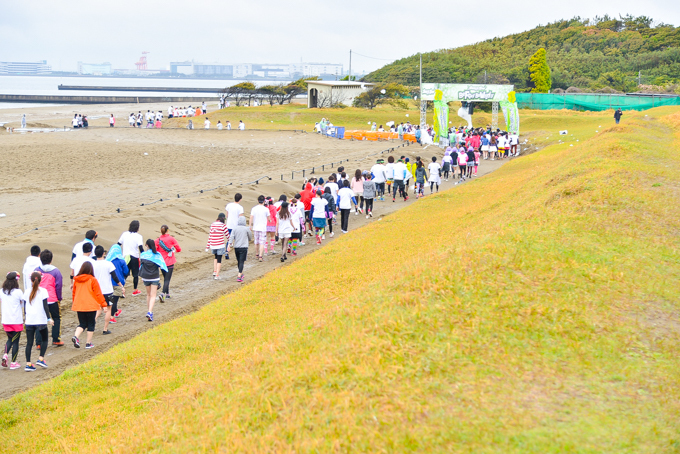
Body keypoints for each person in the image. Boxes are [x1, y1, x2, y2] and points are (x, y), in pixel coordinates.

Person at [71, 262, 106, 349]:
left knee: (82, 324)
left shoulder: (76, 280)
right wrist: (104, 305)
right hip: (91, 305)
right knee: (91, 324)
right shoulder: (92, 280)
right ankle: (88, 343)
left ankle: (76, 336)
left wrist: (75, 303)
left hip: (79, 305)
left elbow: (74, 294)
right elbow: (98, 294)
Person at [34, 249, 64, 347]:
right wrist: (59, 297)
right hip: (52, 299)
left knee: (40, 319)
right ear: (51, 259)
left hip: (39, 299)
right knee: (56, 318)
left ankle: (39, 343)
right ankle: (56, 339)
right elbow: (58, 286)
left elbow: (33, 285)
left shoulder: (36, 270)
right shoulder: (56, 271)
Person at [23, 272, 52, 371]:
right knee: (44, 340)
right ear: (41, 280)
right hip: (40, 320)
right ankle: (40, 358)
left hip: (29, 321)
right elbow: (45, 306)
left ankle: (28, 364)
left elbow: (25, 307)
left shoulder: (26, 291)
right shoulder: (43, 291)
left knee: (29, 343)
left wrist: (26, 317)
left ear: (31, 280)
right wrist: (49, 318)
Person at [93, 246, 124, 334]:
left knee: (98, 308)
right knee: (109, 309)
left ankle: (92, 322)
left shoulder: (93, 264)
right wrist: (121, 286)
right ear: (103, 253)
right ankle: (105, 329)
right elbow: (114, 277)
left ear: (95, 254)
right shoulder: (108, 264)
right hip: (108, 291)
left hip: (97, 291)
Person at [139, 239, 167, 322]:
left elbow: (141, 265)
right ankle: (150, 311)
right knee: (153, 295)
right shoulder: (157, 254)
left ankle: (149, 311)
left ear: (147, 245)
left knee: (148, 295)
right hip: (154, 277)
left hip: (145, 277)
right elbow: (162, 265)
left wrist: (141, 276)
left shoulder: (143, 255)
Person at [1, 272, 24, 370]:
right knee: (16, 342)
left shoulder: (2, 291)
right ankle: (13, 362)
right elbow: (23, 304)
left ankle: (5, 354)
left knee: (10, 339)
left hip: (6, 320)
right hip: (16, 321)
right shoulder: (18, 292)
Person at [118, 221, 144, 295]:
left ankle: (121, 289)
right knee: (135, 274)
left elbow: (118, 244)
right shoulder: (138, 236)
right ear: (137, 228)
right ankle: (135, 290)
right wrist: (145, 255)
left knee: (125, 274)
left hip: (125, 257)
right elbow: (140, 248)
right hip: (134, 257)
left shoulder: (124, 234)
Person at [155, 225, 181, 299]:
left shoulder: (158, 240)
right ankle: (163, 293)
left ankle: (168, 294)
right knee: (167, 279)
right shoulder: (171, 239)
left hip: (162, 262)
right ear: (168, 230)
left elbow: (154, 248)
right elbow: (179, 249)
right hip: (170, 261)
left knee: (166, 278)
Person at [105, 244, 128, 324]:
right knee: (115, 301)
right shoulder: (122, 261)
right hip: (119, 282)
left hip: (108, 282)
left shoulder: (107, 260)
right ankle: (111, 317)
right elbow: (126, 271)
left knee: (110, 299)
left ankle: (116, 311)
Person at [227, 217, 253, 283]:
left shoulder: (235, 228)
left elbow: (231, 237)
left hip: (236, 247)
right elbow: (250, 238)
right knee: (242, 261)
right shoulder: (246, 229)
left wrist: (229, 245)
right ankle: (239, 275)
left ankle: (240, 273)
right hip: (244, 247)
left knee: (239, 260)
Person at [206, 213, 229, 279]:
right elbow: (227, 235)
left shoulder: (212, 225)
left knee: (215, 257)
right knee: (219, 259)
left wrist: (207, 246)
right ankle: (217, 275)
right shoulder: (223, 225)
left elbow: (210, 236)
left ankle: (215, 271)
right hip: (220, 244)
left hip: (213, 244)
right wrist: (230, 243)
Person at [249, 195, 271, 262]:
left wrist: (250, 225)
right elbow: (269, 218)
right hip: (263, 228)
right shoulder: (266, 209)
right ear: (264, 201)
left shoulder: (254, 208)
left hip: (255, 227)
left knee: (256, 242)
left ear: (258, 201)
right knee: (262, 242)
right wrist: (270, 220)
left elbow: (251, 217)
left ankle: (257, 254)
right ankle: (260, 256)